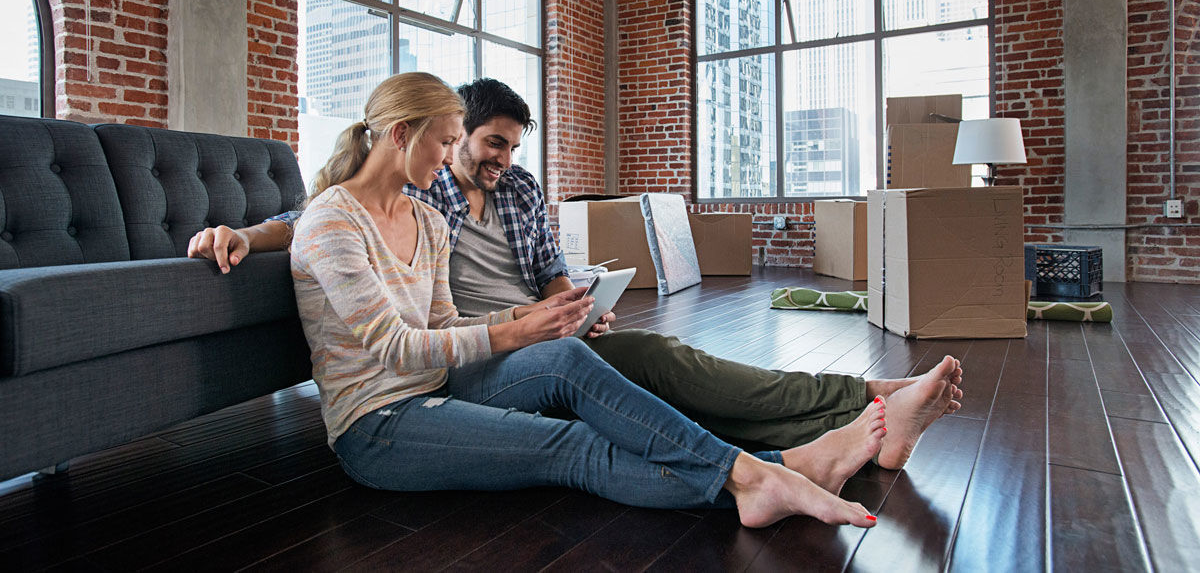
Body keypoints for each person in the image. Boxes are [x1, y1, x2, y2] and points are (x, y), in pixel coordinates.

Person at [189, 78, 963, 471]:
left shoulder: (519, 190)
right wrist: (242, 231)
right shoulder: (417, 191)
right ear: (447, 135)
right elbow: (319, 218)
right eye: (488, 141)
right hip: (484, 357)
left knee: (669, 364)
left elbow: (553, 274)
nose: (502, 158)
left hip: (537, 334)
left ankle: (858, 409)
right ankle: (843, 424)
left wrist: (577, 304)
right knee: (640, 394)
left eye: (511, 146)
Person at [286, 71, 889, 528]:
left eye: (450, 144)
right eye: (444, 143)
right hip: (379, 425)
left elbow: (443, 322)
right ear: (400, 135)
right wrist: (512, 333)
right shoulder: (332, 222)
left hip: (443, 382)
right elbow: (393, 349)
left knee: (572, 360)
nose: (447, 158)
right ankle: (770, 473)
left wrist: (531, 316)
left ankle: (762, 475)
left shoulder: (426, 219)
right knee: (572, 446)